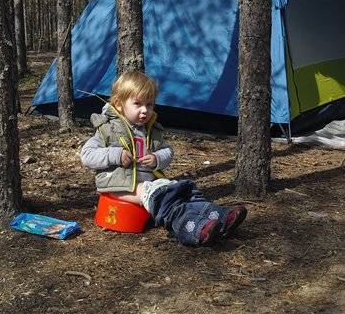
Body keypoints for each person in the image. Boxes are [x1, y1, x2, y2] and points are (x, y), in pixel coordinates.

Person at [80, 71, 247, 246]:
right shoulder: (108, 129)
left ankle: (215, 215)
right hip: (119, 185)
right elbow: (87, 155)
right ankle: (193, 228)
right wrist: (115, 155)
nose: (145, 110)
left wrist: (157, 158)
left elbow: (168, 151)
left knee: (182, 190)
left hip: (148, 185)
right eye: (137, 104)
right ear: (119, 104)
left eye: (150, 105)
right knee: (165, 199)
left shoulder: (151, 130)